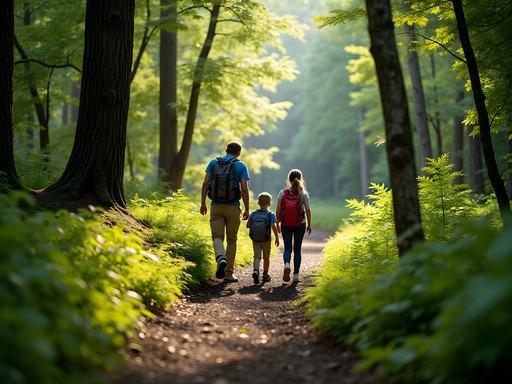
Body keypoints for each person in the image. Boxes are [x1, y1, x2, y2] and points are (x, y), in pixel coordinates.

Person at [200, 141, 250, 283]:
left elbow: (205, 184)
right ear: (238, 153)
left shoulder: (213, 162)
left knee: (217, 236)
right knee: (232, 240)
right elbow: (244, 189)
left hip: (216, 206)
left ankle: (220, 257)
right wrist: (247, 208)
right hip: (233, 207)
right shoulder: (241, 165)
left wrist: (203, 203)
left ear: (226, 150)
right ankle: (228, 274)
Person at [276, 169, 311, 283]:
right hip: (300, 224)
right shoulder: (303, 193)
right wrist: (309, 225)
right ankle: (296, 275)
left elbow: (277, 210)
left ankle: (287, 264)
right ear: (300, 179)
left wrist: (277, 224)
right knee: (297, 249)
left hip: (285, 224)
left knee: (287, 248)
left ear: (289, 179)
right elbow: (308, 210)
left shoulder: (282, 193)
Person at [246, 192, 279, 284]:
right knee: (266, 257)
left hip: (255, 239)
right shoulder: (270, 215)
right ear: (269, 204)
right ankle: (265, 274)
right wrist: (277, 237)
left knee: (256, 256)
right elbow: (273, 227)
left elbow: (248, 226)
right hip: (266, 239)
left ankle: (256, 270)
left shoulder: (253, 213)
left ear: (258, 203)